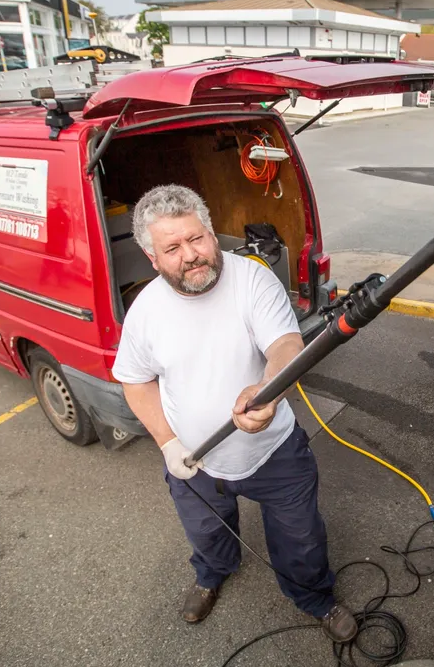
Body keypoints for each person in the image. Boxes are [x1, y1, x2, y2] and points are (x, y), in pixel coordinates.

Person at [111, 185, 357, 643]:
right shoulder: (145, 312)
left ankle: (315, 598)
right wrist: (168, 444)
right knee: (205, 532)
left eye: (196, 238)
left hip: (274, 454)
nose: (191, 255)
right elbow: (135, 380)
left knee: (301, 539)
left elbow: (285, 344)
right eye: (172, 248)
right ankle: (212, 574)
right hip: (196, 461)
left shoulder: (252, 281)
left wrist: (268, 389)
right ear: (152, 259)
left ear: (210, 232)